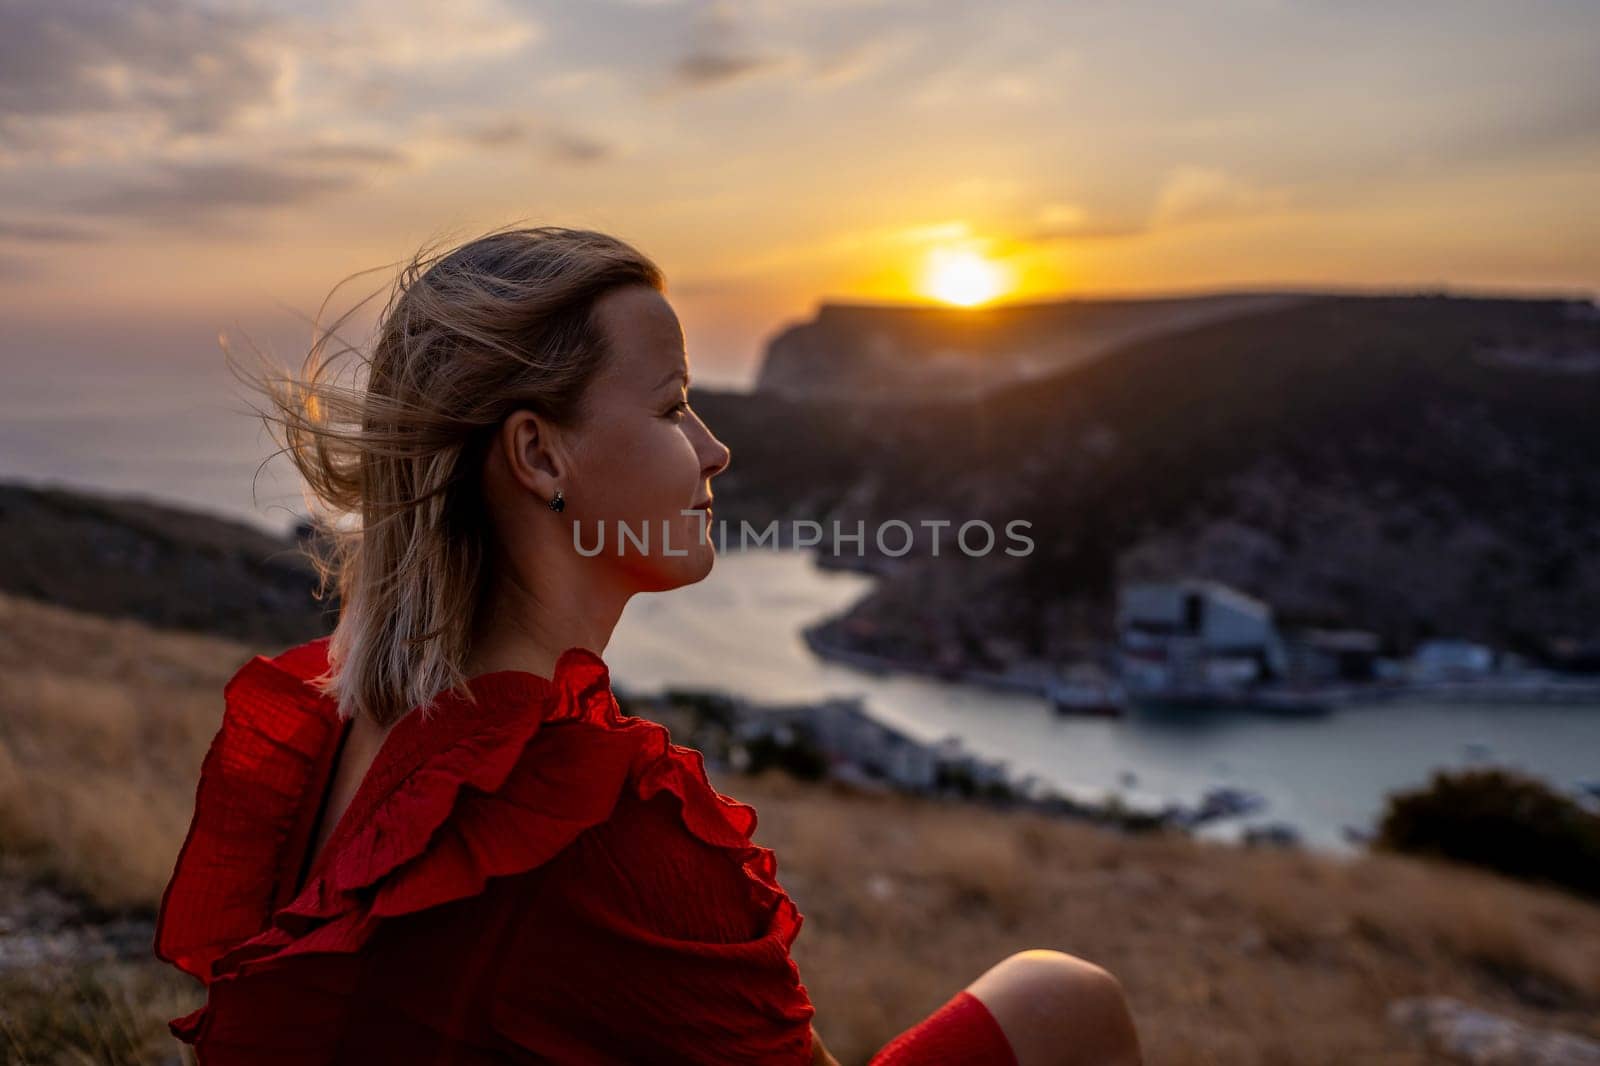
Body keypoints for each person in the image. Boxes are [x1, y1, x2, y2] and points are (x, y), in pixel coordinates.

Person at [154, 224, 1143, 1065]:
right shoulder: (598, 823)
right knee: (1063, 997)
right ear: (540, 454)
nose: (714, 448)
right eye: (672, 406)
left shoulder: (345, 725)